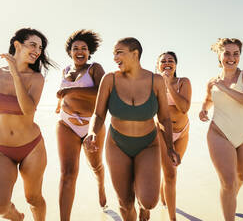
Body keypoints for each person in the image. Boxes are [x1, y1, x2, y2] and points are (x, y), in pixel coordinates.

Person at [84, 37, 181, 221]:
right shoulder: (110, 79)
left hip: (148, 145)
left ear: (135, 54)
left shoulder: (156, 81)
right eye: (114, 54)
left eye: (119, 53)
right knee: (125, 203)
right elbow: (98, 114)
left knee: (149, 202)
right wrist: (92, 132)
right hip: (117, 144)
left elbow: (165, 118)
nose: (114, 58)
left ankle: (144, 209)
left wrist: (169, 147)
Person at [0, 28, 55, 221]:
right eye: (33, 45)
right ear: (17, 45)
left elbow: (28, 110)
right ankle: (17, 217)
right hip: (1, 149)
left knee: (33, 198)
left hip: (31, 148)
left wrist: (15, 73)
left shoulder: (37, 78)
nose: (38, 51)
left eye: (40, 48)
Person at [199, 38, 243, 221]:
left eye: (236, 53)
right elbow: (209, 99)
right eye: (227, 53)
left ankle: (229, 200)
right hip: (219, 134)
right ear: (219, 55)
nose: (231, 58)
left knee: (240, 179)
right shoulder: (212, 82)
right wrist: (203, 109)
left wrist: (224, 88)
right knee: (228, 183)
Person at [55, 29, 106, 221]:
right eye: (75, 48)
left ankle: (101, 185)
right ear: (70, 52)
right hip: (66, 123)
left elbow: (102, 92)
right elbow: (63, 94)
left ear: (89, 51)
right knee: (68, 174)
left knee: (96, 165)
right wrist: (60, 103)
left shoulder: (95, 68)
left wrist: (71, 91)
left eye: (83, 48)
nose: (79, 51)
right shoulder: (65, 71)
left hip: (91, 125)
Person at [156, 51, 192, 221]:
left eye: (171, 60)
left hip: (183, 132)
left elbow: (184, 108)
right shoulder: (153, 84)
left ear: (176, 65)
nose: (167, 63)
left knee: (171, 170)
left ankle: (165, 201)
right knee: (170, 174)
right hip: (163, 133)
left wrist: (168, 84)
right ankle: (172, 218)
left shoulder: (183, 82)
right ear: (158, 66)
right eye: (163, 61)